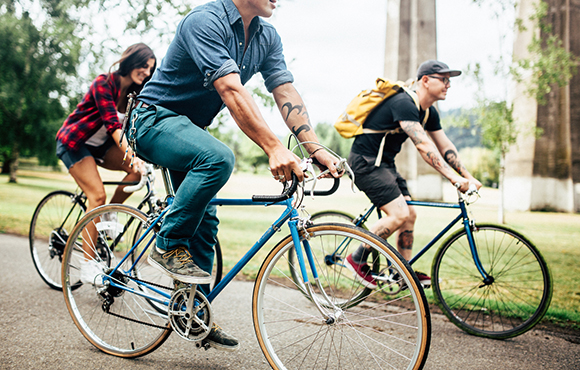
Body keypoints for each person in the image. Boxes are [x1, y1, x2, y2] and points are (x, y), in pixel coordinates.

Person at [130, 0, 339, 351]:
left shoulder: (266, 36)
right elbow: (231, 90)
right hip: (151, 120)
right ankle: (167, 244)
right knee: (218, 158)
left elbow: (284, 90)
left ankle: (191, 312)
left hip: (186, 132)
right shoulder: (204, 21)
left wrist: (313, 146)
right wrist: (274, 147)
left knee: (206, 222)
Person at [345, 60, 482, 289]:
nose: (449, 85)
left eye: (450, 80)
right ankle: (357, 258)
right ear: (425, 81)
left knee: (410, 215)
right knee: (398, 214)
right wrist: (454, 179)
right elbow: (423, 145)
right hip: (366, 164)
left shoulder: (428, 112)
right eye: (444, 79)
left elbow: (444, 145)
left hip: (385, 165)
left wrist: (467, 175)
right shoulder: (404, 102)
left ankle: (402, 272)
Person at [55, 43, 156, 284]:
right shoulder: (104, 83)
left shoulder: (134, 95)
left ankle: (108, 213)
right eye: (144, 65)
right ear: (132, 61)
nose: (146, 72)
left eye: (150, 69)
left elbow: (133, 131)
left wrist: (144, 158)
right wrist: (132, 154)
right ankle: (88, 266)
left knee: (135, 172)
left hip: (101, 148)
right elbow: (112, 125)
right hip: (74, 143)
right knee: (96, 196)